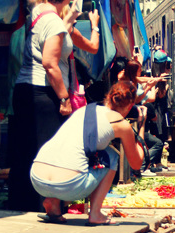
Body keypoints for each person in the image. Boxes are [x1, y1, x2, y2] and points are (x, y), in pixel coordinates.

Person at [8, 0, 100, 212]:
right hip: (43, 93)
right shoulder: (53, 23)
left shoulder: (40, 14)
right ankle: (45, 205)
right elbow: (50, 63)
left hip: (27, 90)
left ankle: (23, 203)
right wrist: (63, 98)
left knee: (27, 149)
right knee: (46, 150)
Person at [30, 81, 145, 225]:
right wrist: (141, 126)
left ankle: (53, 203)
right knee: (112, 155)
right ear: (129, 106)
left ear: (108, 96)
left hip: (37, 179)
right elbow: (136, 163)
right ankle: (95, 213)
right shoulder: (121, 124)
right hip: (68, 185)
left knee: (77, 153)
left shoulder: (83, 110)